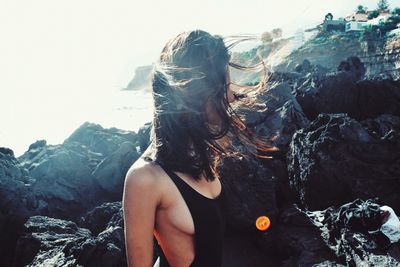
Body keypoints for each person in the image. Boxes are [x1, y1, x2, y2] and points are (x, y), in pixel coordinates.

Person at [123, 29, 276, 267]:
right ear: (192, 94)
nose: (232, 96)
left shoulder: (202, 153)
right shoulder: (145, 179)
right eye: (224, 85)